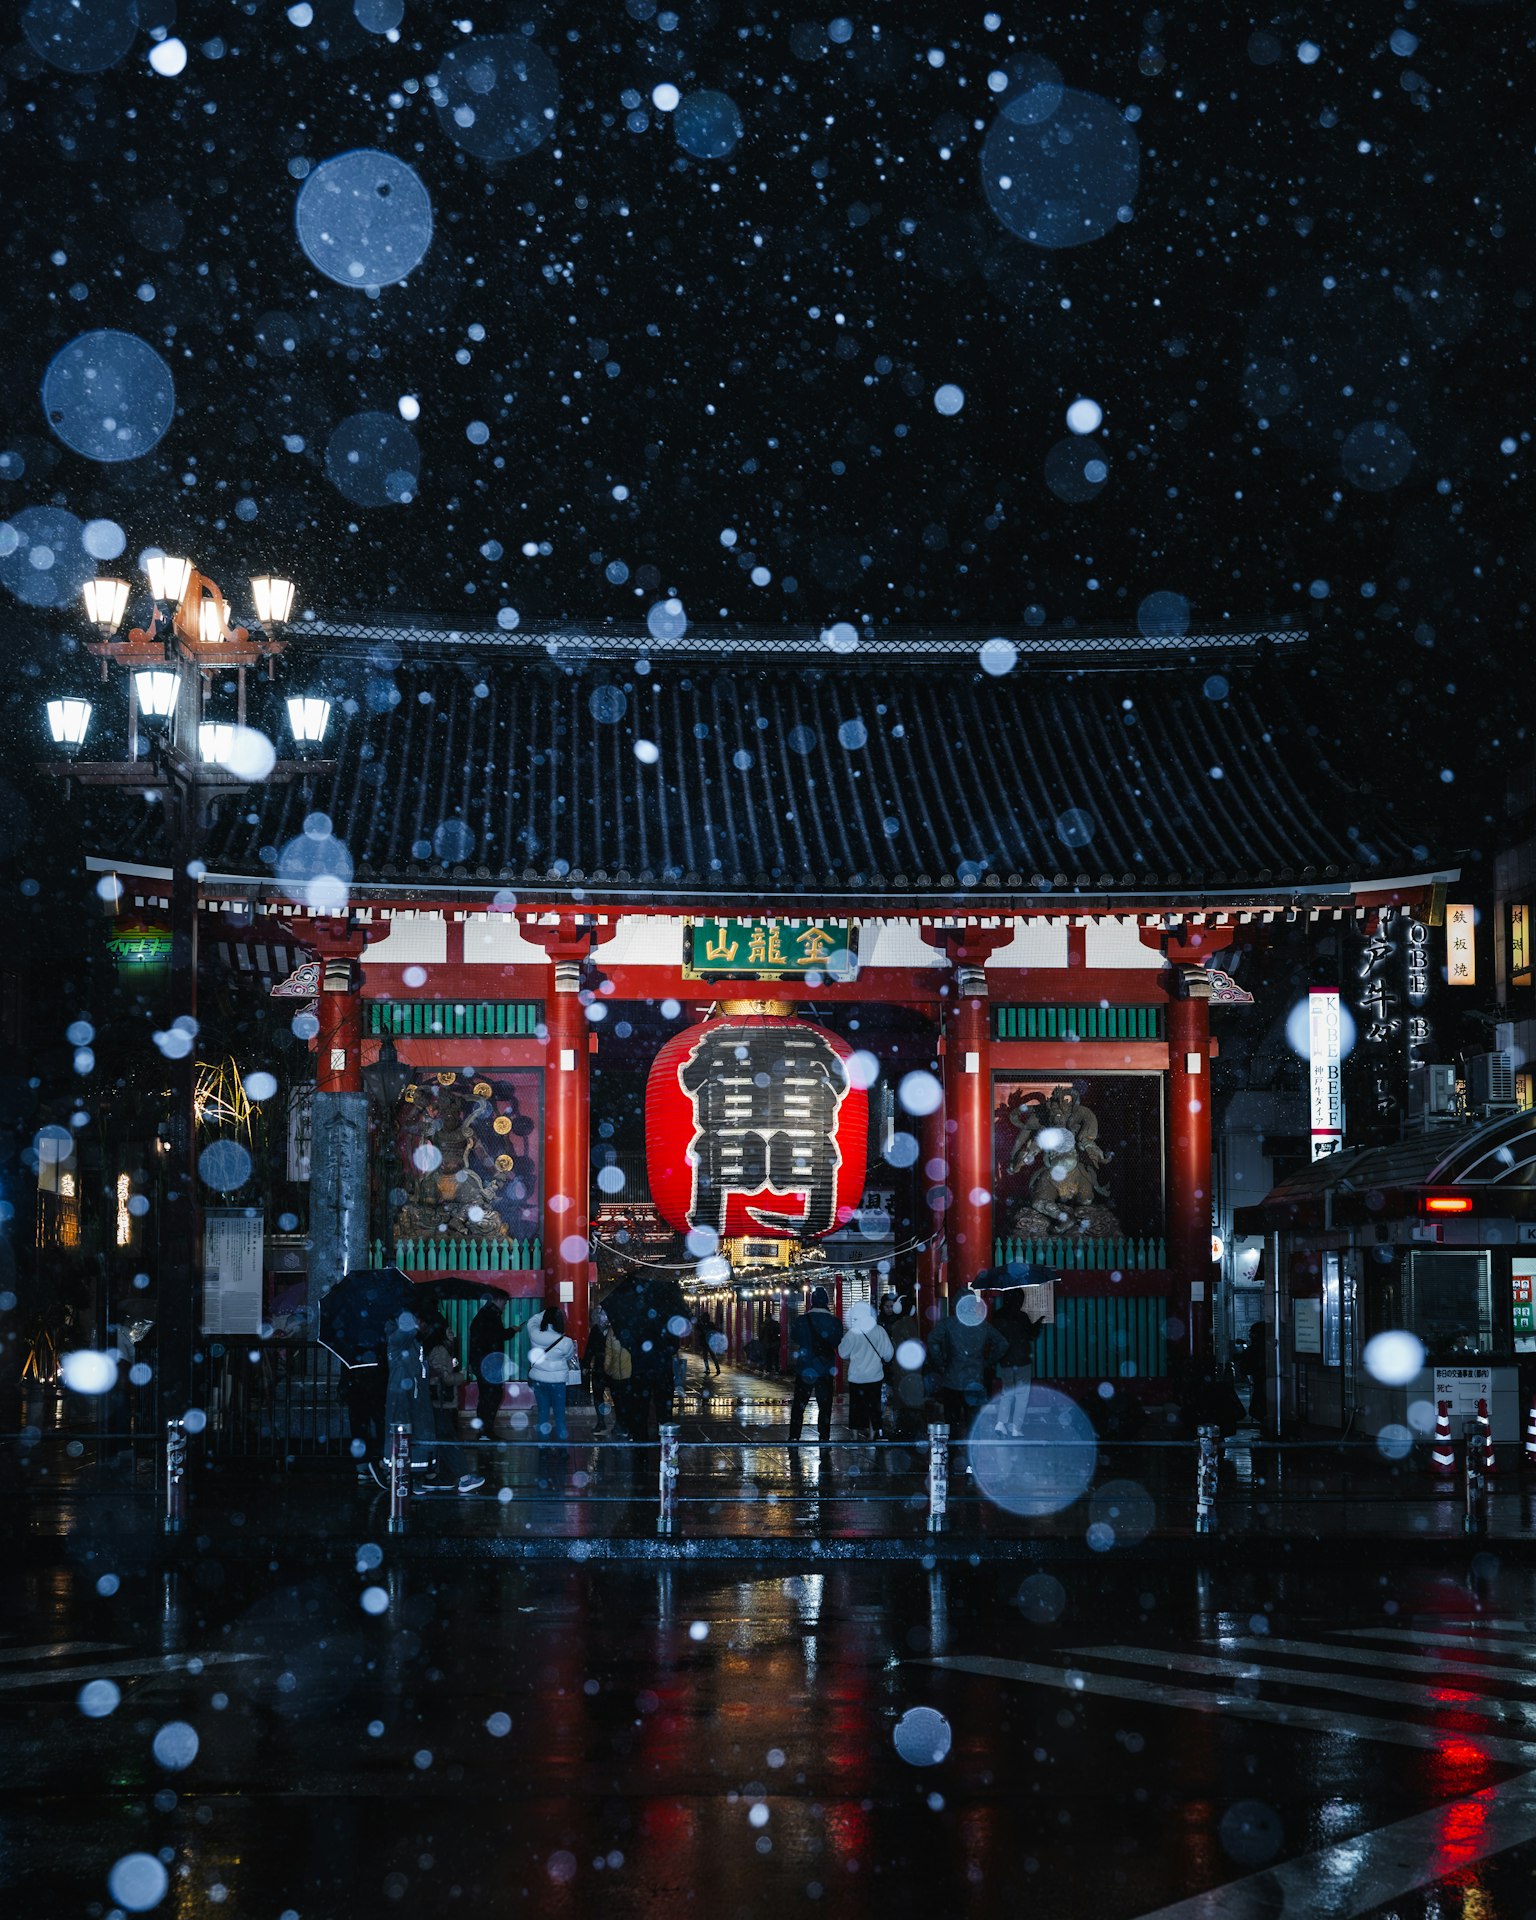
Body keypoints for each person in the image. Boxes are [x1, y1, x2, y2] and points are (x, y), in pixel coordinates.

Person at [382, 1309, 483, 1494]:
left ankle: (422, 1478)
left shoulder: (416, 1345)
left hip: (425, 1402)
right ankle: (429, 1478)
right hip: (423, 1402)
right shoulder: (404, 1343)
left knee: (435, 1438)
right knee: (438, 1437)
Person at [603, 1270, 689, 1441]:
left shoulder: (632, 1311)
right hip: (663, 1369)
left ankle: (640, 1446)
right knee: (664, 1411)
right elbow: (674, 1344)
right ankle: (665, 1444)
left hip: (639, 1368)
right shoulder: (667, 1310)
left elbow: (624, 1337)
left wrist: (635, 1347)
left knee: (639, 1411)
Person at [924, 1292, 1006, 1443]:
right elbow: (1002, 1344)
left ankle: (953, 1454)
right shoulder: (982, 1324)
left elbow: (932, 1339)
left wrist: (940, 1362)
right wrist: (988, 1362)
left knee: (952, 1422)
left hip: (952, 1379)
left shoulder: (948, 1323)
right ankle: (972, 1456)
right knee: (973, 1423)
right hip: (975, 1379)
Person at [789, 1285, 844, 1443]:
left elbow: (795, 1338)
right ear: (826, 1302)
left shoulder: (802, 1320)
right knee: (825, 1406)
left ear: (812, 1301)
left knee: (799, 1405)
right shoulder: (834, 1322)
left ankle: (794, 1436)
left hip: (805, 1368)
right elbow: (836, 1341)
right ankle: (824, 1437)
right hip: (825, 1369)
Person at [837, 1300, 893, 1440]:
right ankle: (873, 1433)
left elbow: (842, 1353)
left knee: (856, 1407)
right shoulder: (880, 1330)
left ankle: (855, 1436)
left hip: (857, 1376)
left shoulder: (853, 1333)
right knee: (874, 1406)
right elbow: (889, 1354)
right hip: (875, 1376)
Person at [992, 1290, 1041, 1437]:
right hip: (1022, 1360)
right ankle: (1016, 1428)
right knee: (1022, 1395)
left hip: (1006, 1360)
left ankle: (1001, 1423)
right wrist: (1038, 1322)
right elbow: (1032, 1335)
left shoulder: (997, 1315)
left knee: (1007, 1392)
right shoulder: (1022, 1316)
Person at [526, 1304, 576, 1443]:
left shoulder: (534, 1333)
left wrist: (546, 1312)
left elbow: (532, 1321)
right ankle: (562, 1449)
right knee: (560, 1416)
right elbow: (569, 1356)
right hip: (557, 1381)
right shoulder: (566, 1342)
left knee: (543, 1414)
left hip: (539, 1380)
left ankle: (543, 1446)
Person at [468, 1292, 512, 1440]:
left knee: (487, 1396)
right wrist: (512, 1331)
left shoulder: (483, 1315)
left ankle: (484, 1430)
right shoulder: (491, 1316)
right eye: (504, 1303)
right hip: (488, 1363)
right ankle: (486, 1430)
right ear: (498, 1299)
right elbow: (497, 1336)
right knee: (492, 1396)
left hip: (481, 1362)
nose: (505, 1307)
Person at [881, 1294, 925, 1439]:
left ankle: (903, 1431)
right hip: (914, 1371)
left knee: (902, 1403)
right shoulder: (914, 1324)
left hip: (902, 1371)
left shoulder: (898, 1326)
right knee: (911, 1402)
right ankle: (912, 1430)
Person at [583, 1308, 612, 1435]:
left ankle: (619, 1424)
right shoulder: (595, 1330)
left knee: (616, 1395)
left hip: (612, 1366)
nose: (602, 1319)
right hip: (599, 1366)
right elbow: (589, 1348)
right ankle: (601, 1422)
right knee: (598, 1395)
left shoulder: (614, 1330)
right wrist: (586, 1364)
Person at [695, 1307, 723, 1376]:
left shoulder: (707, 1324)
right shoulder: (709, 1324)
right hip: (707, 1343)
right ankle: (716, 1368)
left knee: (708, 1357)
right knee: (711, 1356)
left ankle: (711, 1368)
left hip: (707, 1343)